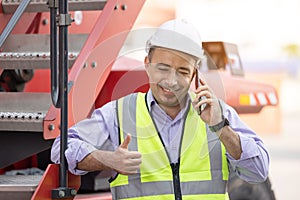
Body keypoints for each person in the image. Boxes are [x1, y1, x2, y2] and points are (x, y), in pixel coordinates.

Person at [51, 19, 269, 200]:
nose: (171, 81)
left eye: (183, 71)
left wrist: (220, 128)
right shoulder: (119, 113)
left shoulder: (218, 115)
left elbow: (258, 171)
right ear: (147, 64)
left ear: (195, 76)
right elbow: (60, 148)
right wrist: (106, 159)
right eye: (162, 68)